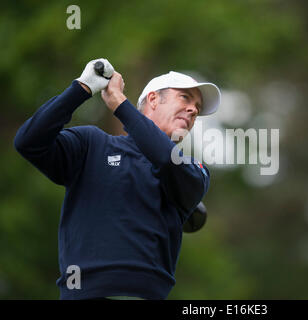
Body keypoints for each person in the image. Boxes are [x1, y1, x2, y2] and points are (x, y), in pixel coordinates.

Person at [13, 58, 221, 300]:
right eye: (185, 98)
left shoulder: (192, 168)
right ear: (153, 99)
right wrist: (81, 89)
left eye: (197, 107)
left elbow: (165, 158)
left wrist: (120, 105)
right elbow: (28, 142)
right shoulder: (92, 144)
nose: (193, 110)